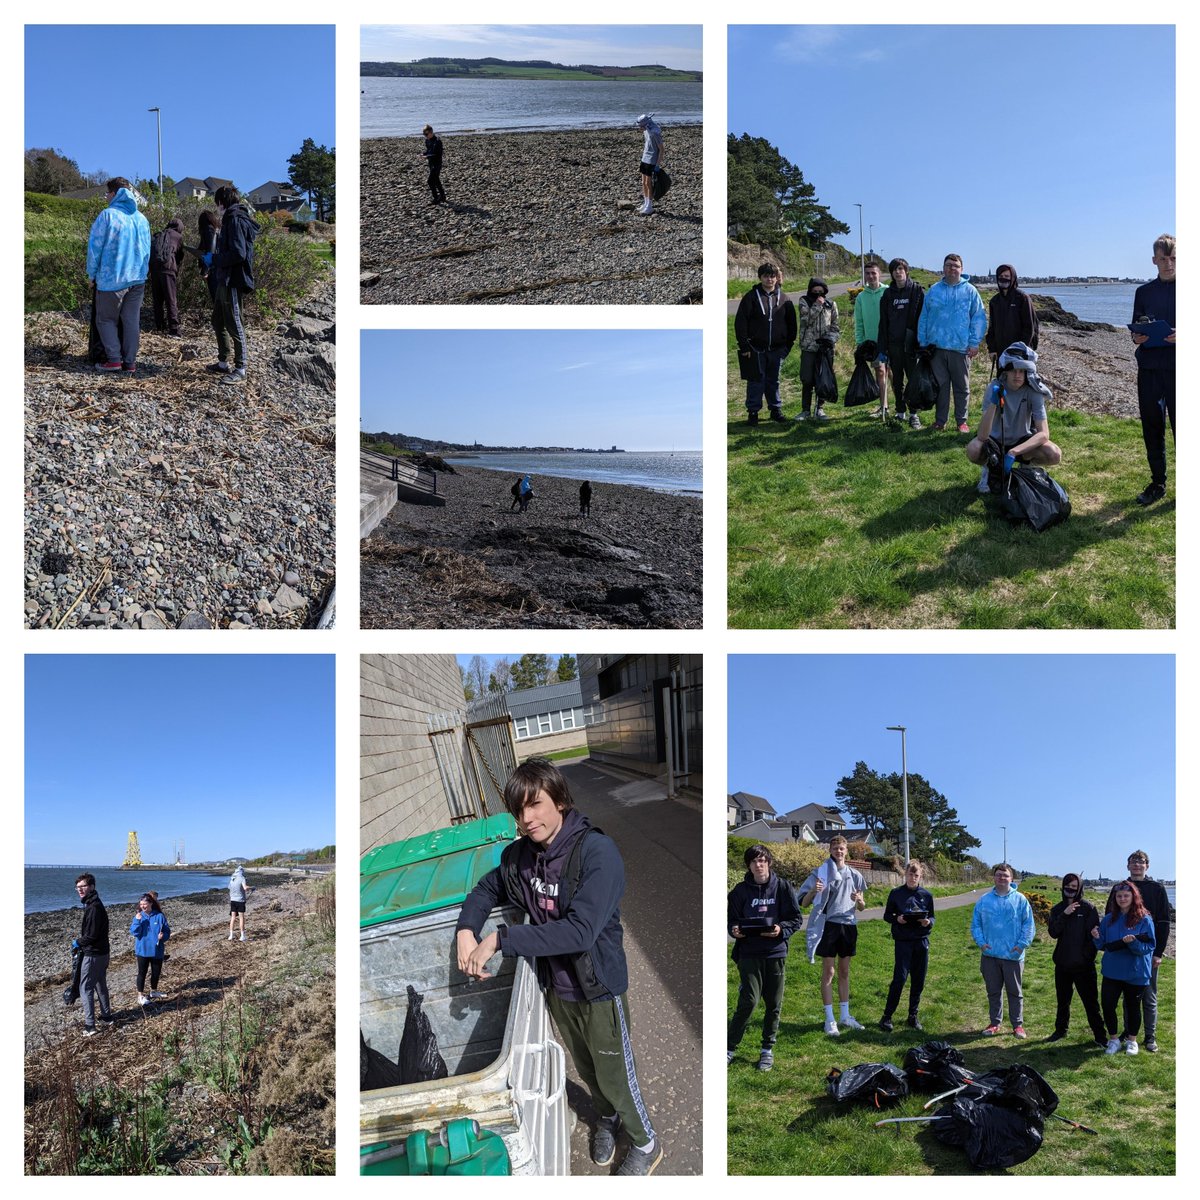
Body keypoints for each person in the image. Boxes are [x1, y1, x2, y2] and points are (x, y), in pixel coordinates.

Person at [456, 759, 662, 1175]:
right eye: (519, 810)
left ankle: (645, 1140)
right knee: (586, 1068)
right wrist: (466, 929)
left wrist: (500, 938)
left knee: (616, 1073)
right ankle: (607, 1118)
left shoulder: (597, 853)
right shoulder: (521, 858)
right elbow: (486, 888)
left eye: (535, 805)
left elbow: (581, 931)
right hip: (557, 989)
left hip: (599, 989)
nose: (526, 819)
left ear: (561, 801)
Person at [727, 844, 802, 1071]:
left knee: (774, 1003)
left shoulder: (782, 887)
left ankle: (767, 1050)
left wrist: (781, 929)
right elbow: (732, 921)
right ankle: (729, 1049)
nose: (758, 865)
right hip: (749, 953)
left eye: (762, 861)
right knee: (748, 1001)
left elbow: (796, 919)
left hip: (775, 952)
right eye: (754, 862)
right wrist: (734, 930)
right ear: (749, 865)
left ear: (768, 863)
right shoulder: (739, 892)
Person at [965, 341, 1062, 493]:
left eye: (1022, 371)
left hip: (1022, 441)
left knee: (1054, 453)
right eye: (1013, 370)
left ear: (1027, 372)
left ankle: (1027, 465)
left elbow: (1044, 433)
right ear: (1006, 371)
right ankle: (989, 468)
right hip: (995, 441)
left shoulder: (1034, 391)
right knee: (973, 449)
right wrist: (994, 403)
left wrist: (1014, 452)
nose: (1017, 375)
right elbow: (982, 435)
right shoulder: (994, 387)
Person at [798, 835, 866, 1035]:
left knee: (844, 972)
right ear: (830, 850)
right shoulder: (821, 872)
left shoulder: (855, 875)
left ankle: (845, 1016)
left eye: (842, 848)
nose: (839, 851)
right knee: (829, 972)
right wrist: (813, 891)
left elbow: (862, 907)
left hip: (849, 926)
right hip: (828, 927)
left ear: (847, 851)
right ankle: (830, 1020)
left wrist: (859, 900)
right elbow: (803, 902)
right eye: (835, 848)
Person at [86, 177, 151, 374]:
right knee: (131, 321)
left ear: (114, 194)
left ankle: (114, 360)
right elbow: (148, 248)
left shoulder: (107, 215)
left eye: (107, 193)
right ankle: (130, 363)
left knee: (105, 320)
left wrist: (91, 274)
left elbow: (95, 248)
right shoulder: (141, 218)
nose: (106, 197)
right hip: (137, 278)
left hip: (111, 278)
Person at [916, 253, 987, 432]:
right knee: (940, 387)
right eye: (948, 265)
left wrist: (974, 342)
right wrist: (922, 341)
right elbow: (924, 316)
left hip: (961, 348)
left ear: (961, 269)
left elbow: (978, 317)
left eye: (955, 266)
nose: (951, 268)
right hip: (936, 348)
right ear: (943, 268)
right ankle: (940, 421)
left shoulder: (970, 291)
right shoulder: (934, 290)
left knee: (962, 388)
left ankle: (961, 421)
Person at [1130, 234, 1176, 505]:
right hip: (1149, 368)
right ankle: (1158, 483)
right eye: (1163, 259)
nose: (1168, 264)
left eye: (1173, 258)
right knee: (1152, 427)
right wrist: (1137, 337)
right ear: (1154, 261)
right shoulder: (1143, 292)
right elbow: (1136, 326)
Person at [970, 863, 1035, 1037]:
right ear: (994, 877)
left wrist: (1021, 945)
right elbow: (976, 924)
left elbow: (1028, 925)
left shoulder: (1020, 900)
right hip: (990, 955)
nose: (1001, 878)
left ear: (1011, 878)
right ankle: (994, 1023)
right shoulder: (984, 900)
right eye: (998, 875)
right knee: (993, 991)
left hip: (1013, 956)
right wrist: (981, 943)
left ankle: (1017, 1025)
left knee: (1015, 992)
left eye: (1005, 875)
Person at [1092, 880, 1155, 1055]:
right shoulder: (1108, 919)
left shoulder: (1145, 919)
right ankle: (1113, 1040)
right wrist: (1096, 937)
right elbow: (1102, 945)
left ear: (1134, 897)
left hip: (1136, 972)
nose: (1122, 899)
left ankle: (1132, 1041)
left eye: (1126, 895)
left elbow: (1149, 946)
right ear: (1114, 898)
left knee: (1133, 1007)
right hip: (1112, 971)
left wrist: (1133, 943)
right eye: (1119, 896)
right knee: (1108, 1005)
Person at [1046, 873, 1107, 1046]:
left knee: (1091, 1003)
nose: (1070, 889)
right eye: (1068, 886)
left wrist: (1086, 957)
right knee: (1062, 1001)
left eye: (1074, 886)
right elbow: (1053, 933)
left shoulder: (1088, 908)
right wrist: (1064, 914)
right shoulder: (1057, 909)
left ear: (1080, 888)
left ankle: (1100, 1036)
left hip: (1084, 966)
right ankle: (1060, 1030)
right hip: (1063, 964)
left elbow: (1094, 936)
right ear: (1063, 886)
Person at [734, 263, 797, 424]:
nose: (769, 279)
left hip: (777, 349)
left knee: (773, 380)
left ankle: (775, 410)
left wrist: (787, 346)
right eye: (766, 276)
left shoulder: (784, 298)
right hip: (756, 349)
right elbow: (741, 323)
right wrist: (745, 346)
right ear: (760, 277)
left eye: (772, 276)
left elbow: (792, 325)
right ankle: (753, 412)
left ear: (777, 278)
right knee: (755, 380)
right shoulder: (751, 297)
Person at [210, 185, 259, 385]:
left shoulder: (235, 219)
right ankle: (223, 362)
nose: (217, 208)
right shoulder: (231, 218)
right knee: (218, 320)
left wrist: (215, 259)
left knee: (234, 322)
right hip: (224, 277)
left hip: (232, 278)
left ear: (222, 202)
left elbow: (238, 253)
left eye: (217, 204)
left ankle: (241, 368)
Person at [1123, 850, 1172, 1053]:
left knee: (1149, 995)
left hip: (1149, 951)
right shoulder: (1122, 888)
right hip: (1126, 950)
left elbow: (1164, 922)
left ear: (1147, 866)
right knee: (1128, 996)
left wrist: (1158, 953)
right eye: (1133, 861)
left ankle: (1150, 1037)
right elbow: (1112, 917)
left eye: (1141, 861)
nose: (1137, 864)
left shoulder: (1156, 888)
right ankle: (1129, 1033)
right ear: (1128, 866)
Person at [880, 860, 935, 1032]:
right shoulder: (896, 893)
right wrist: (897, 918)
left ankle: (913, 1016)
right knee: (900, 979)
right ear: (905, 874)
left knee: (918, 980)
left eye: (916, 875)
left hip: (921, 941)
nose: (913, 878)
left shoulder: (927, 895)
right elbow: (887, 915)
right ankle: (887, 1017)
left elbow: (932, 917)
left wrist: (928, 922)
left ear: (921, 877)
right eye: (910, 874)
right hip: (903, 941)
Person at [877, 257, 925, 430]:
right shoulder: (888, 295)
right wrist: (882, 348)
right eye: (894, 270)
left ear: (906, 271)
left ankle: (914, 414)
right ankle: (899, 412)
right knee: (897, 381)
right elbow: (883, 323)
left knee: (913, 380)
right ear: (891, 273)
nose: (898, 272)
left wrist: (922, 344)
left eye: (900, 269)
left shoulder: (917, 291)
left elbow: (923, 318)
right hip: (893, 345)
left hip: (912, 345)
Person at [793, 278, 840, 423]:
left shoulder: (831, 304)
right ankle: (805, 410)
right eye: (815, 289)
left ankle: (820, 408)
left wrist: (830, 339)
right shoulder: (804, 301)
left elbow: (835, 326)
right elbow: (806, 321)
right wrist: (817, 306)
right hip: (809, 347)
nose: (818, 292)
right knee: (807, 379)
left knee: (822, 379)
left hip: (825, 349)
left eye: (821, 290)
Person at [75, 873, 114, 1036]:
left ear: (92, 887)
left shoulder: (94, 907)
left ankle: (90, 1026)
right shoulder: (94, 904)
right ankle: (107, 1017)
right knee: (100, 985)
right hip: (102, 953)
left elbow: (91, 935)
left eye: (83, 886)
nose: (80, 890)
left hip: (94, 955)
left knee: (85, 988)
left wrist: (78, 942)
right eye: (77, 887)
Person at [985, 264, 1039, 369]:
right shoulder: (994, 301)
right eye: (1001, 276)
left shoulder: (1022, 298)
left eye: (1007, 276)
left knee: (1019, 381)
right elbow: (992, 328)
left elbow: (1030, 327)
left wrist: (1021, 349)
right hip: (1001, 351)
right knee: (1003, 380)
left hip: (1020, 351)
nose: (1003, 279)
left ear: (1013, 277)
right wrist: (992, 348)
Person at [854, 262, 889, 418]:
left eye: (873, 273)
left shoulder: (888, 292)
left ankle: (902, 409)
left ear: (879, 274)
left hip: (890, 341)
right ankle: (884, 408)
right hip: (873, 343)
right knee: (880, 372)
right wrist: (860, 341)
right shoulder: (861, 297)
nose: (870, 276)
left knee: (894, 375)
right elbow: (859, 321)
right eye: (867, 273)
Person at [196, 209, 225, 374]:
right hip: (219, 270)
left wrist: (205, 269)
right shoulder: (218, 228)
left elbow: (210, 250)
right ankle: (221, 321)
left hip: (213, 270)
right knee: (219, 300)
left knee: (216, 299)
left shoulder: (208, 229)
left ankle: (220, 324)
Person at [129, 892, 171, 1006]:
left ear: (151, 903)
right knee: (141, 973)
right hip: (142, 950)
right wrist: (137, 921)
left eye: (145, 904)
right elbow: (134, 932)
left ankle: (154, 991)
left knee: (156, 972)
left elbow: (167, 931)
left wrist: (163, 937)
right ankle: (140, 995)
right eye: (141, 904)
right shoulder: (139, 917)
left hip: (157, 950)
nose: (142, 906)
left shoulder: (159, 916)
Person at [148, 217, 186, 334]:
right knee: (171, 299)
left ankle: (160, 326)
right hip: (168, 269)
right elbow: (180, 255)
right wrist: (176, 269)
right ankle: (174, 329)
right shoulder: (178, 237)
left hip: (154, 269)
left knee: (158, 300)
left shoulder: (158, 235)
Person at [635, 114, 663, 216]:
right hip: (644, 158)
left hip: (651, 160)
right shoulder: (646, 130)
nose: (639, 128)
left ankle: (649, 206)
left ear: (646, 124)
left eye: (640, 126)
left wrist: (657, 165)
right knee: (643, 182)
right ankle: (646, 203)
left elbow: (661, 150)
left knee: (648, 183)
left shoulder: (655, 133)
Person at [422, 124, 446, 204]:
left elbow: (438, 154)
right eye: (424, 134)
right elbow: (429, 151)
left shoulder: (438, 141)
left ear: (431, 132)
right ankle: (442, 196)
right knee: (436, 180)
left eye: (426, 134)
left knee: (430, 181)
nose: (425, 136)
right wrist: (424, 154)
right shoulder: (427, 140)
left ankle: (436, 198)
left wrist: (428, 156)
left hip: (437, 164)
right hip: (431, 163)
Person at [228, 865, 250, 941]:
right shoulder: (242, 878)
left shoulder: (232, 878)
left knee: (233, 917)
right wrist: (251, 888)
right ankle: (242, 936)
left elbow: (229, 888)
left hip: (232, 900)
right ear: (242, 872)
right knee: (241, 918)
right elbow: (245, 888)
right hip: (240, 901)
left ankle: (231, 935)